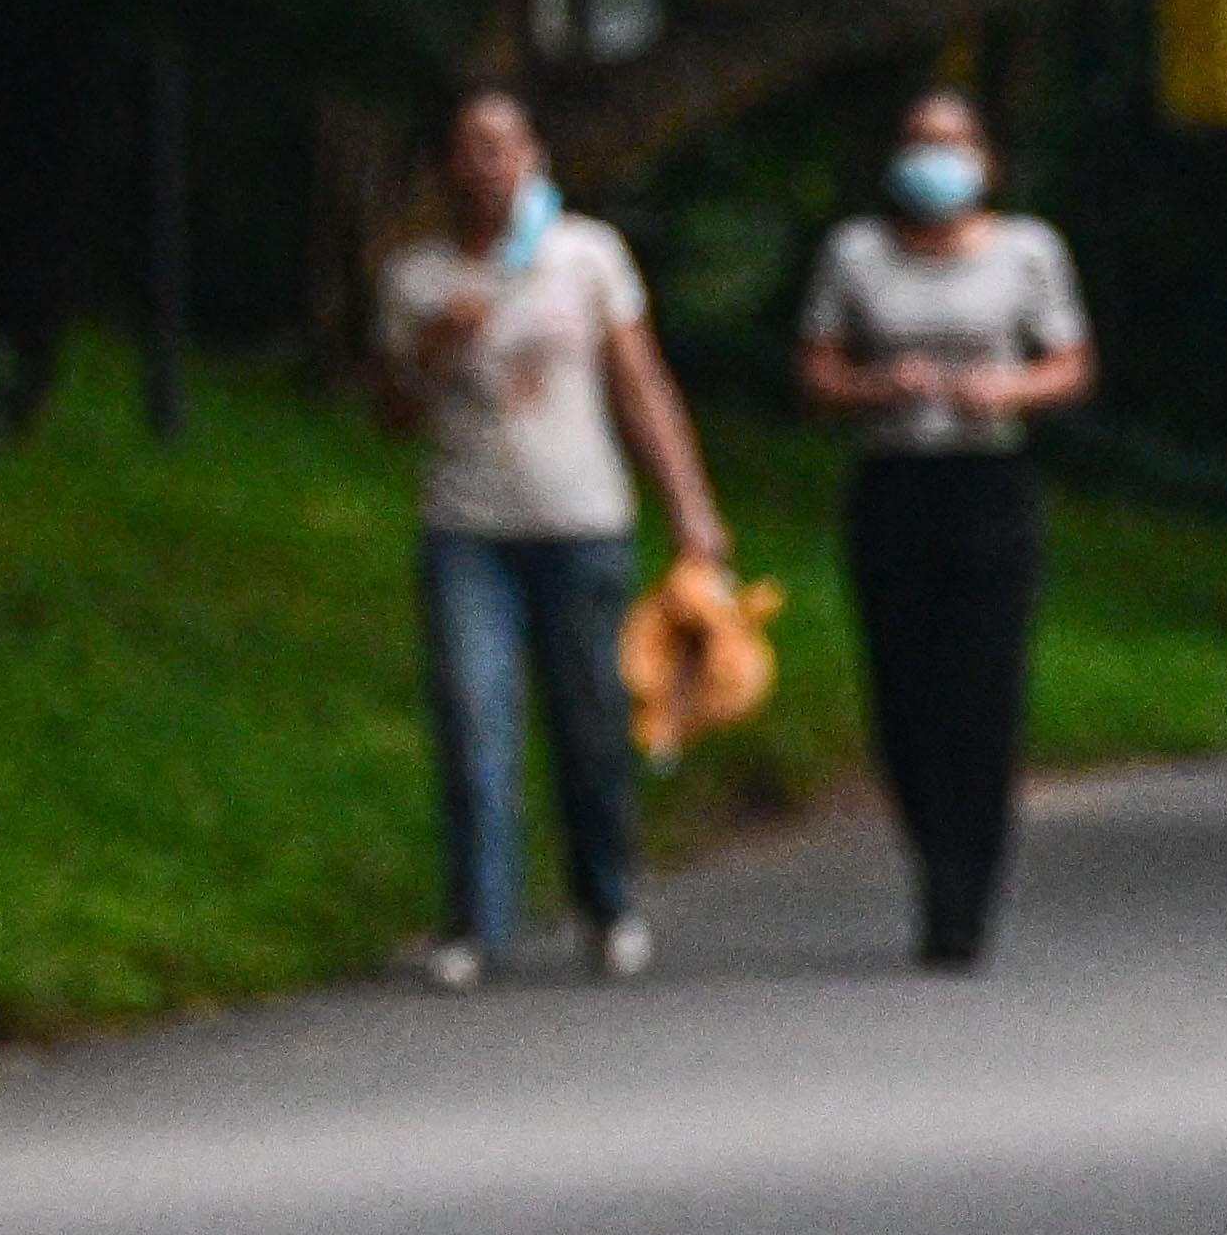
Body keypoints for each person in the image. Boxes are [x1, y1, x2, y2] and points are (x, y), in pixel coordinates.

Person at [369, 82, 734, 987]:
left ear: (533, 156)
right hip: (468, 530)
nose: (488, 166)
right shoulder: (414, 279)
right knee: (473, 721)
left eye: (505, 146)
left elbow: (640, 383)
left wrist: (690, 503)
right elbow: (386, 414)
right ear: (446, 167)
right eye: (471, 148)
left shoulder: (585, 257)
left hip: (583, 523)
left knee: (592, 721)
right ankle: (476, 924)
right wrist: (433, 351)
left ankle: (608, 901)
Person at [797, 89, 1092, 966]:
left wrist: (1005, 391)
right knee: (904, 692)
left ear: (987, 162)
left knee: (982, 692)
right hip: (894, 481)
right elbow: (818, 369)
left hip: (987, 480)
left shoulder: (1028, 252)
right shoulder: (854, 255)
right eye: (920, 141)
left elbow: (1069, 362)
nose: (936, 158)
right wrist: (880, 388)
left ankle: (966, 890)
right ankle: (930, 844)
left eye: (954, 142)